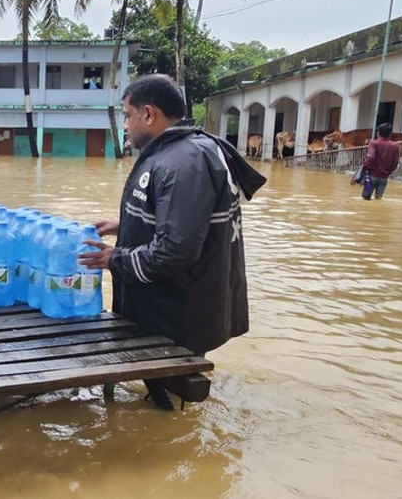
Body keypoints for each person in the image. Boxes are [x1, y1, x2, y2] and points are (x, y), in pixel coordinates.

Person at [78, 74, 266, 411]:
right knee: (163, 398)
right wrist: (126, 225)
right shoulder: (189, 150)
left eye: (126, 115)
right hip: (180, 306)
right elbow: (188, 221)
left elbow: (175, 250)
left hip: (178, 314)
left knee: (171, 406)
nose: (125, 125)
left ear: (148, 114)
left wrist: (113, 259)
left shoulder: (182, 163)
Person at [361, 122, 400, 200]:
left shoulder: (374, 143)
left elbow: (371, 157)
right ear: (390, 134)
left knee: (365, 198)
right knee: (378, 199)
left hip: (371, 176)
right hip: (384, 177)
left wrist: (364, 166)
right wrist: (389, 171)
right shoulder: (395, 146)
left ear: (378, 133)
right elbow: (396, 162)